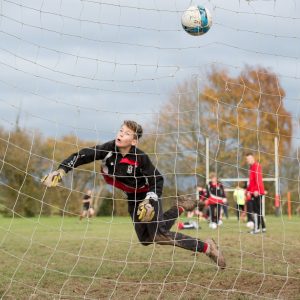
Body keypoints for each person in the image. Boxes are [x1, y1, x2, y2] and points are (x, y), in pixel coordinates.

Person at [42, 120, 226, 268]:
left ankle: (208, 248)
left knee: (159, 235)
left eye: (126, 133)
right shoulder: (108, 150)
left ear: (134, 141)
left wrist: (150, 199)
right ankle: (181, 207)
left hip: (149, 195)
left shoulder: (141, 158)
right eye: (120, 131)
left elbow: (158, 179)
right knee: (146, 239)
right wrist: (61, 171)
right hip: (133, 197)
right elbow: (83, 155)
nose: (121, 134)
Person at [246, 153, 266, 234]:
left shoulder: (256, 166)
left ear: (253, 158)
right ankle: (263, 227)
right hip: (253, 191)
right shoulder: (251, 168)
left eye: (249, 158)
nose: (248, 160)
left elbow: (258, 179)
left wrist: (256, 190)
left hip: (257, 192)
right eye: (247, 159)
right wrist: (248, 191)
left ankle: (257, 229)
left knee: (257, 211)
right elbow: (251, 182)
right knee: (258, 210)